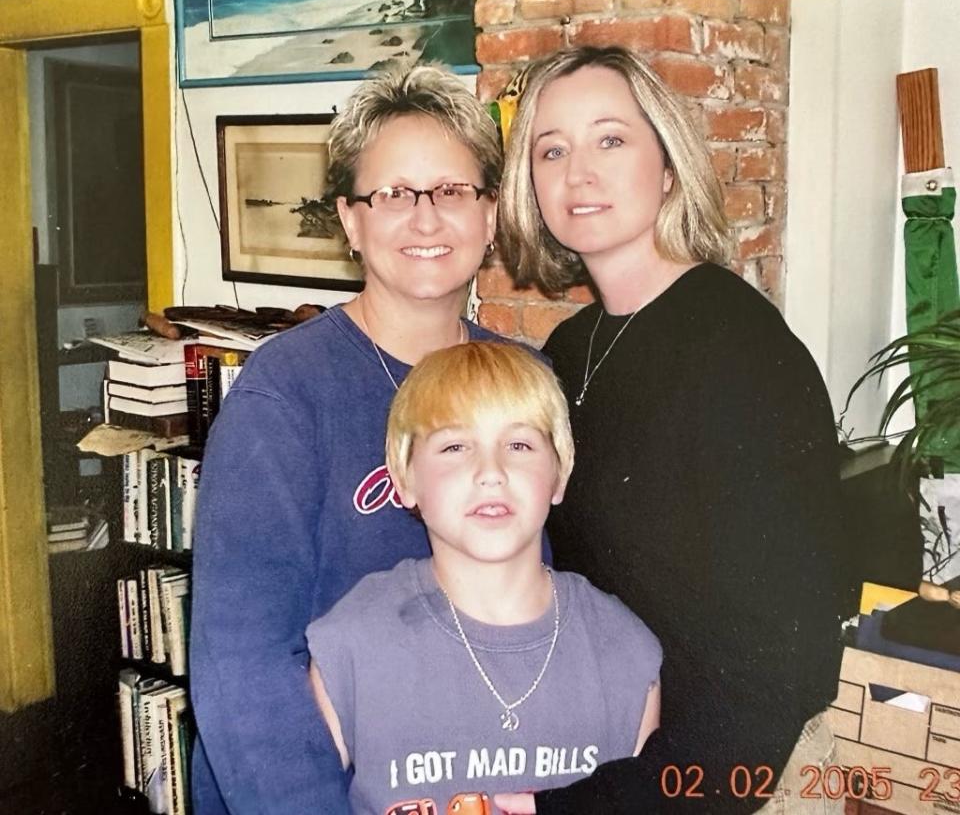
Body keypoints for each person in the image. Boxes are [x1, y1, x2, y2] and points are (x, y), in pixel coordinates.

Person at [495, 46, 847, 814]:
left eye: (610, 139)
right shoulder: (569, 348)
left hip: (683, 782)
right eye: (551, 149)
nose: (577, 171)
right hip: (589, 743)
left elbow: (784, 661)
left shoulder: (736, 348)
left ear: (668, 166)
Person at [190, 64, 512, 814]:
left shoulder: (521, 379)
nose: (426, 220)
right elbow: (241, 665)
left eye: (452, 191)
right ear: (350, 220)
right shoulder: (285, 395)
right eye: (393, 195)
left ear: (489, 215)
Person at [305, 341, 663, 815]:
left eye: (519, 445)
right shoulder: (351, 645)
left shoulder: (625, 653)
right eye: (455, 446)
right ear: (404, 477)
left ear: (559, 472)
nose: (490, 472)